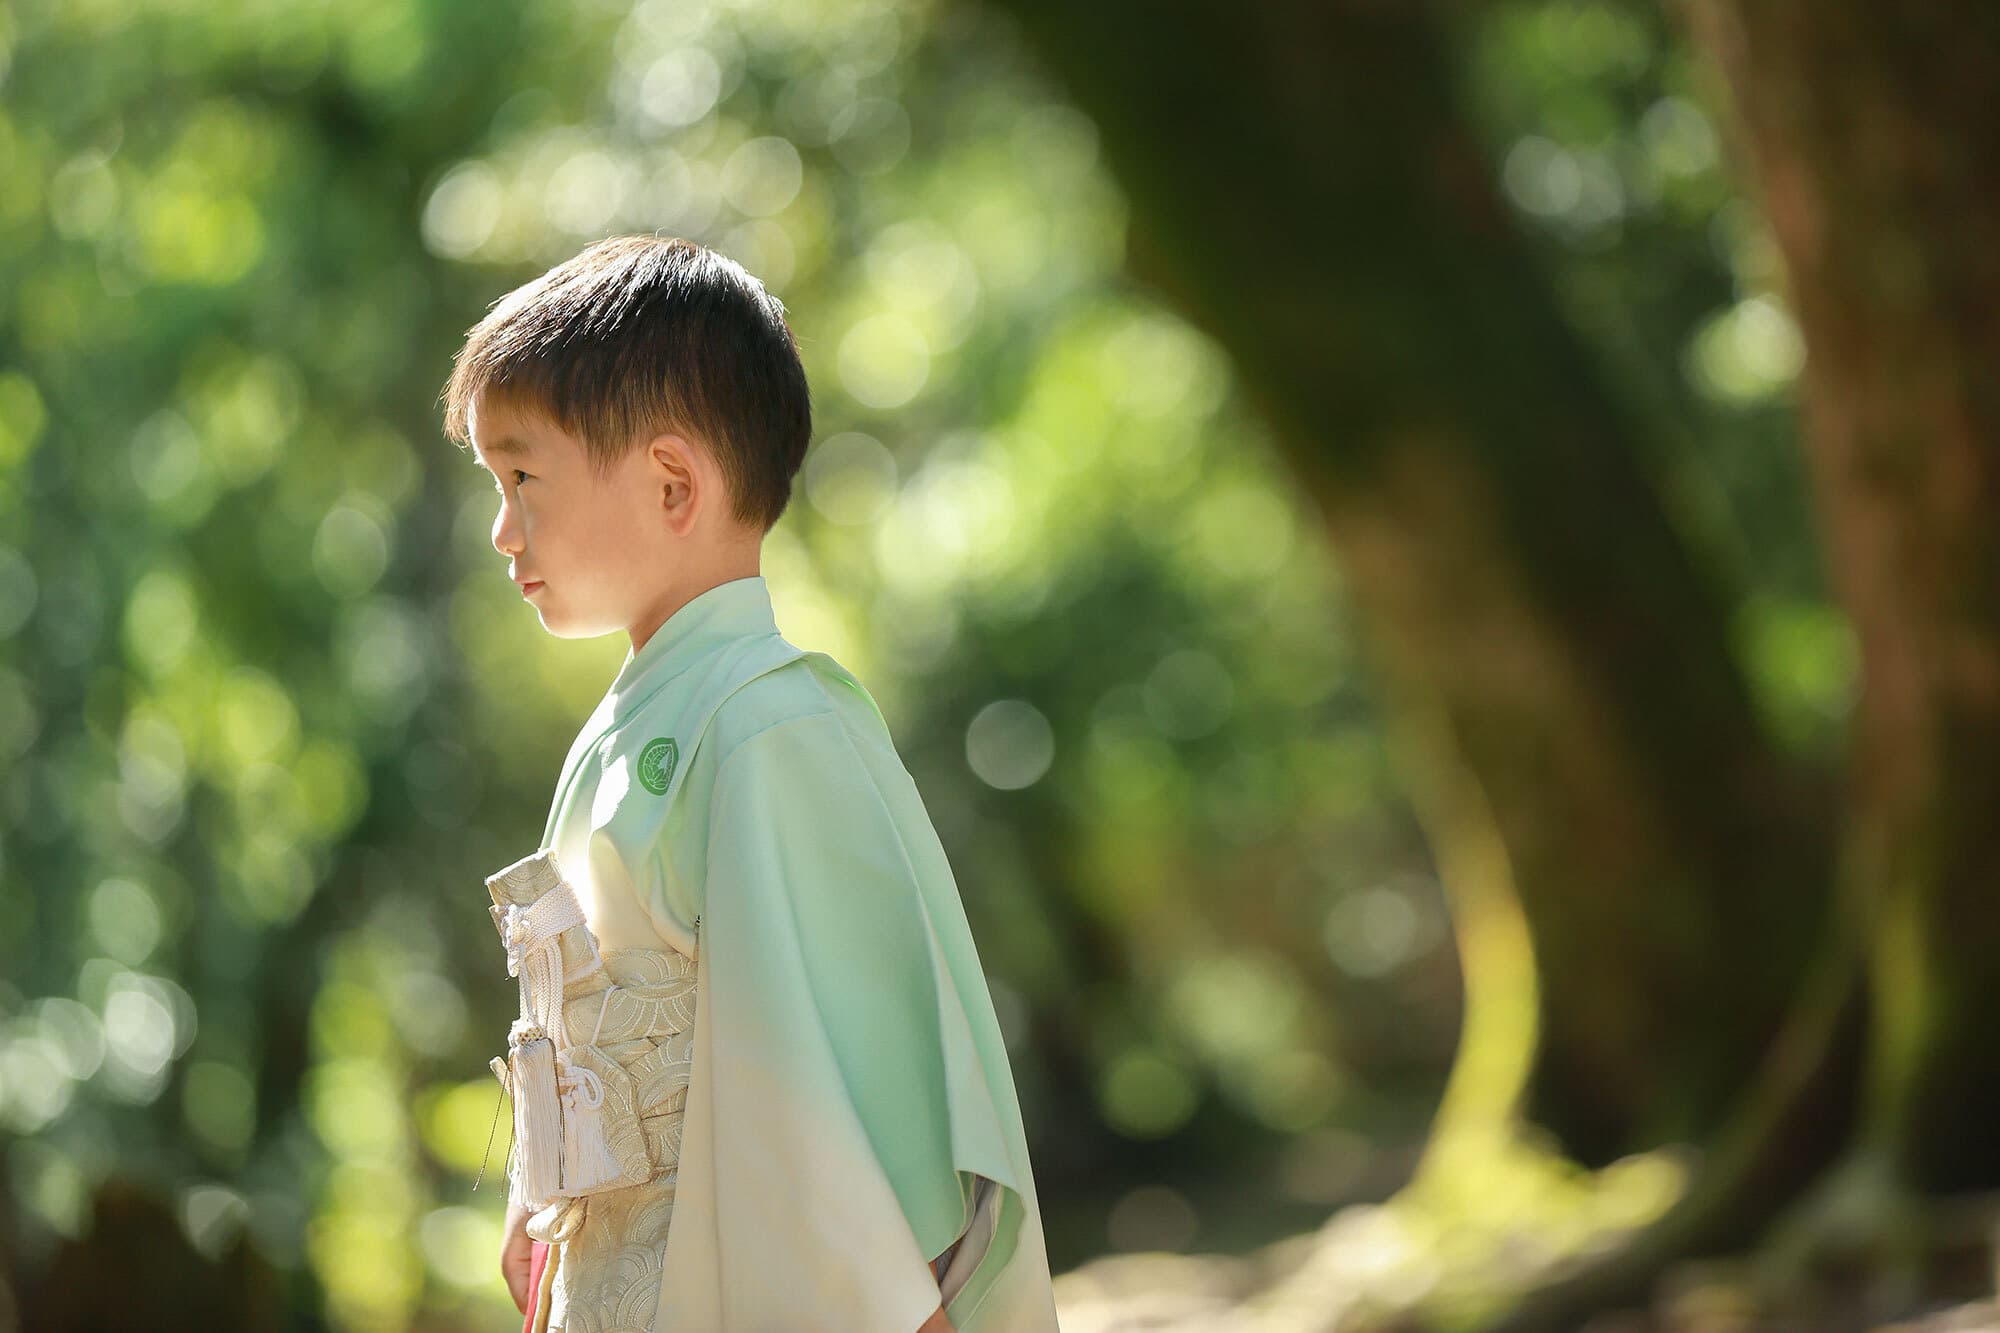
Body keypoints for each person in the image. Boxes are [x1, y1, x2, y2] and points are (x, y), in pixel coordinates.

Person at [438, 234, 1060, 1333]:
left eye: (523, 474)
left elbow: (834, 1067)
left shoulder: (771, 722)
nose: (501, 527)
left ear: (673, 481)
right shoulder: (632, 721)